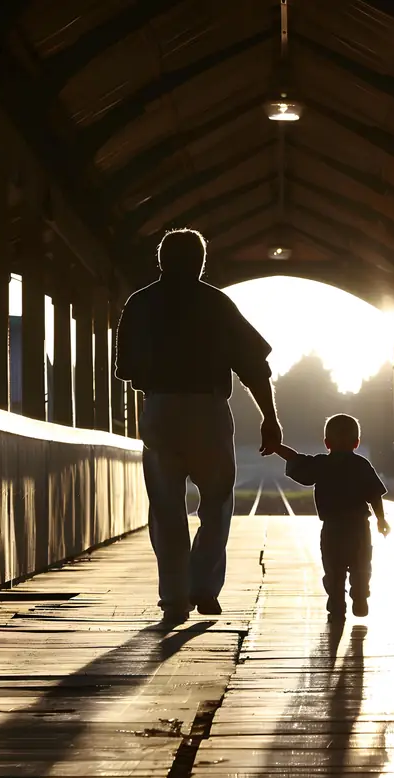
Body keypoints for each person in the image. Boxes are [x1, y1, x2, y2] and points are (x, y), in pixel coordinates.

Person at [114, 228, 282, 625]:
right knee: (218, 500)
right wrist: (269, 417)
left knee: (166, 507)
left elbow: (125, 369)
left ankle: (174, 598)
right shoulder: (216, 303)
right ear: (201, 262)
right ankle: (202, 585)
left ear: (160, 261)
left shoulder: (139, 303)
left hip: (159, 409)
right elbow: (254, 366)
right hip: (207, 409)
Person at [273, 414, 389, 620]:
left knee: (333, 567)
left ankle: (337, 600)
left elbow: (297, 460)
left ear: (326, 443)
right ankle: (360, 595)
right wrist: (381, 519)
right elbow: (374, 495)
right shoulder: (361, 465)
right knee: (361, 564)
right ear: (357, 442)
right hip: (359, 527)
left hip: (332, 527)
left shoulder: (322, 464)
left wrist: (278, 448)